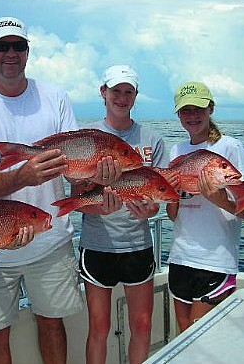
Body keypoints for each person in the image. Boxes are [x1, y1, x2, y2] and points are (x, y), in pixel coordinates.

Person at [0, 16, 84, 364]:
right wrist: (23, 176)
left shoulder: (55, 97)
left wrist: (96, 177)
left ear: (28, 51)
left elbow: (74, 171)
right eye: (2, 46)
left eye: (18, 45)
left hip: (51, 240)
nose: (10, 53)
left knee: (52, 324)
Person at [73, 65, 167, 364]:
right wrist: (99, 206)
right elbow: (77, 199)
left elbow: (157, 198)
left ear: (136, 96)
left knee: (142, 325)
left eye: (128, 92)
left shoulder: (153, 140)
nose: (122, 97)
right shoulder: (88, 138)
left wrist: (149, 211)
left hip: (138, 246)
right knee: (99, 328)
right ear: (104, 92)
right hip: (97, 244)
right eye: (116, 91)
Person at [166, 81, 244, 332]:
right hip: (180, 256)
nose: (192, 116)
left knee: (200, 333)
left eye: (199, 109)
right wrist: (172, 191)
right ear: (179, 115)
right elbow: (173, 215)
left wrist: (218, 198)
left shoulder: (230, 147)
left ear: (211, 109)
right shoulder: (176, 150)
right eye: (186, 110)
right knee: (184, 332)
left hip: (216, 261)